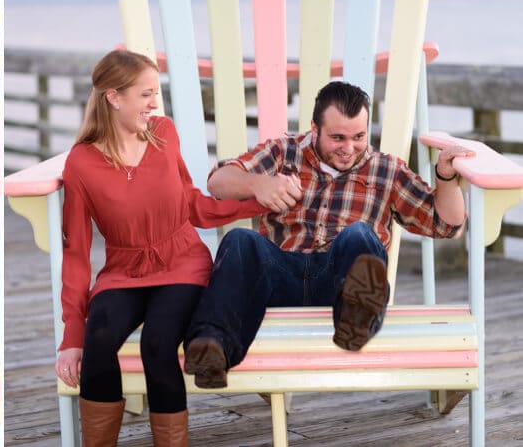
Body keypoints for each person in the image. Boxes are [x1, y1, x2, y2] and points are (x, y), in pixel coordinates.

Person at [182, 80, 472, 390]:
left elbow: (447, 225)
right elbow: (217, 183)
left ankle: (357, 320)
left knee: (359, 234)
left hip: (339, 284)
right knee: (241, 241)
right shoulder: (283, 152)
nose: (349, 149)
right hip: (280, 278)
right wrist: (258, 185)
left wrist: (445, 178)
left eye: (358, 137)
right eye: (337, 138)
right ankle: (212, 347)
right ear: (314, 128)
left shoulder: (386, 170)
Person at [53, 50, 268, 446]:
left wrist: (258, 201)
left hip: (182, 264)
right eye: (145, 94)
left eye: (157, 93)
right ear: (114, 98)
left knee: (157, 343)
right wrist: (71, 336)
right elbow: (77, 251)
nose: (155, 103)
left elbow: (194, 205)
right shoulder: (81, 163)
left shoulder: (164, 134)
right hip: (123, 271)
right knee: (97, 340)